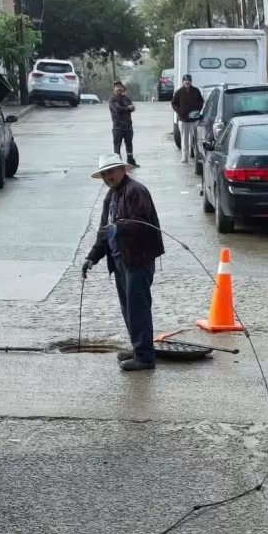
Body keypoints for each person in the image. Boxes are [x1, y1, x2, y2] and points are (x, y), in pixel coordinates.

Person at [82, 153, 164, 372]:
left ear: (122, 170)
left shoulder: (136, 191)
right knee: (128, 308)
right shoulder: (111, 196)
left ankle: (145, 357)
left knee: (138, 309)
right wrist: (92, 257)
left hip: (138, 259)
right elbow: (103, 232)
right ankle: (139, 348)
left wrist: (119, 227)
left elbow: (144, 225)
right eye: (104, 174)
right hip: (120, 260)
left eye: (110, 172)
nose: (107, 177)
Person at [171, 74, 204, 163]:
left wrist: (197, 110)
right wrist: (179, 111)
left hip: (194, 119)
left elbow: (201, 101)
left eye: (188, 80)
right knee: (184, 138)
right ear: (183, 81)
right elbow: (174, 103)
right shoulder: (179, 92)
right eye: (185, 80)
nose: (187, 82)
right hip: (183, 119)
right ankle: (184, 157)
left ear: (191, 81)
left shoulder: (196, 91)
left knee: (195, 137)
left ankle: (193, 153)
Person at [108, 81, 137, 167]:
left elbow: (133, 108)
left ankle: (130, 160)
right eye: (117, 86)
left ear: (123, 88)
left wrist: (127, 108)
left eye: (120, 86)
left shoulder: (127, 98)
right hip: (117, 127)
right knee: (117, 146)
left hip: (128, 126)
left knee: (129, 144)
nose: (119, 88)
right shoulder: (112, 99)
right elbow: (118, 110)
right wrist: (128, 107)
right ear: (114, 89)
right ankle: (117, 164)